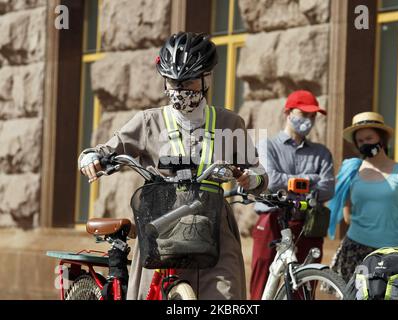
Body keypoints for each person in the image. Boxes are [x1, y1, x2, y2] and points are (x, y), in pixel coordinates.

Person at [78, 32, 268, 300]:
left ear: (206, 80)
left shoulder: (229, 122)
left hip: (213, 224)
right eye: (172, 82)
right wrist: (91, 157)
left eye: (188, 82)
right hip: (161, 223)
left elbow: (260, 174)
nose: (179, 90)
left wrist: (251, 179)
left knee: (226, 296)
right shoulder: (147, 122)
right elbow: (105, 149)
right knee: (147, 293)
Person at [250, 90, 335, 300]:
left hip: (307, 223)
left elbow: (328, 188)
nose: (309, 120)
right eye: (304, 114)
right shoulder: (267, 146)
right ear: (288, 112)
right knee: (262, 283)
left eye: (313, 116)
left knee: (304, 286)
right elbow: (270, 180)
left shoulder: (322, 153)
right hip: (272, 218)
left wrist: (290, 183)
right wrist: (310, 179)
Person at [328, 111, 398, 283]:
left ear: (382, 139)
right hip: (355, 248)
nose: (364, 144)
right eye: (360, 141)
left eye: (369, 138)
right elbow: (347, 216)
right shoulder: (352, 170)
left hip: (392, 253)